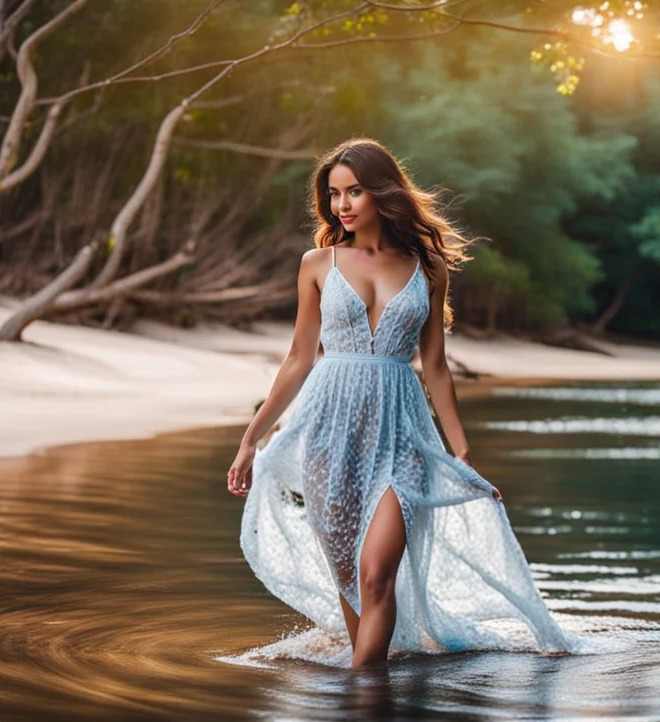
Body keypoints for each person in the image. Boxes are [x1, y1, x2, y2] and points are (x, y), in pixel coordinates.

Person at [227, 138, 570, 667]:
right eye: (334, 194)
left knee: (376, 573)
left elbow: (435, 367)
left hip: (402, 435)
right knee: (349, 576)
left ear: (382, 192)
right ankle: (365, 711)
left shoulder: (428, 267)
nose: (342, 204)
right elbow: (298, 359)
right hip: (326, 430)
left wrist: (460, 455)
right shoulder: (317, 263)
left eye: (355, 191)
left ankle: (364, 696)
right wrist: (251, 440)